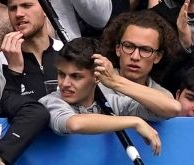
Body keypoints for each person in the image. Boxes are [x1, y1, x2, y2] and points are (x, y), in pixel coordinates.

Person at [41, 38, 175, 148]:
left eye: (76, 76)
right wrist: (135, 122)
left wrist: (116, 81)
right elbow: (75, 124)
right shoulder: (51, 101)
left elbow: (172, 108)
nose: (65, 83)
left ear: (97, 77)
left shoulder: (113, 102)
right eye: (61, 74)